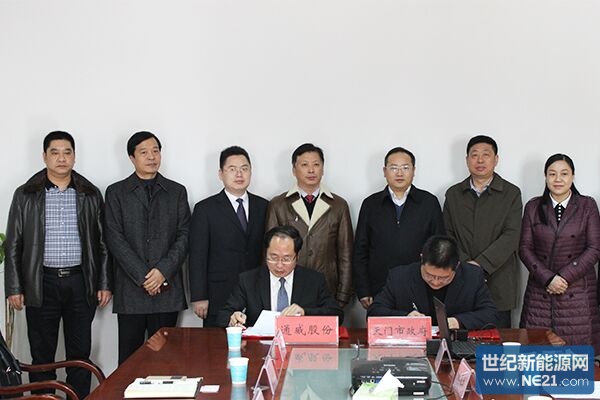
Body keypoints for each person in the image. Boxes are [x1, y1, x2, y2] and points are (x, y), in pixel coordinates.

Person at [3, 131, 111, 398]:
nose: (61, 158)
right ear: (44, 156)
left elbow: (102, 244)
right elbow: (13, 243)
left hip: (80, 281)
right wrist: (14, 287)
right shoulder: (26, 194)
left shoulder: (89, 193)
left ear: (74, 156)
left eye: (67, 152)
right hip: (40, 282)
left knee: (80, 353)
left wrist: (104, 283)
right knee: (42, 355)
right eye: (55, 152)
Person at [105, 131, 190, 364]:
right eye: (144, 152)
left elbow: (184, 235)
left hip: (167, 290)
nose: (152, 157)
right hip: (131, 291)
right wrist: (144, 276)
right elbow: (114, 238)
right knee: (129, 361)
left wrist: (162, 271)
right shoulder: (116, 192)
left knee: (167, 360)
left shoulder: (176, 191)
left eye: (155, 151)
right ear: (132, 158)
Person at [519, 154, 600, 353]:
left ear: (573, 176)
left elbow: (594, 248)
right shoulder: (533, 206)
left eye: (564, 174)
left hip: (577, 293)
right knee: (536, 356)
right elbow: (525, 248)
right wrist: (548, 278)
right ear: (545, 177)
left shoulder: (587, 205)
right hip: (540, 292)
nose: (558, 179)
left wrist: (563, 277)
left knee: (576, 359)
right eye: (552, 174)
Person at [443, 135, 522, 328]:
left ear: (496, 159)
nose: (480, 160)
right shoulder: (453, 194)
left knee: (498, 340)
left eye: (486, 155)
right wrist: (466, 266)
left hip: (499, 280)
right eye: (474, 155)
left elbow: (511, 236)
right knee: (460, 336)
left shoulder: (511, 193)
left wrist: (480, 265)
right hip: (460, 278)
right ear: (466, 160)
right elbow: (448, 235)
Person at [353, 147, 444, 309]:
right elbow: (360, 250)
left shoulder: (429, 202)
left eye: (405, 168)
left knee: (420, 325)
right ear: (384, 171)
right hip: (380, 288)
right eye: (394, 168)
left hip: (422, 286)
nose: (399, 173)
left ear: (414, 171)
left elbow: (439, 247)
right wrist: (363, 290)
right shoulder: (371, 204)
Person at [188, 146, 268, 327]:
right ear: (220, 174)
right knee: (216, 344)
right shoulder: (205, 209)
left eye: (244, 168)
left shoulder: (263, 206)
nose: (239, 174)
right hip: (218, 294)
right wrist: (199, 296)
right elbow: (197, 256)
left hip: (257, 294)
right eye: (232, 169)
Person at [265, 143, 353, 308]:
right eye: (304, 165)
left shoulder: (339, 205)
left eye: (316, 165)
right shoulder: (278, 204)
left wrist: (343, 295)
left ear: (323, 169)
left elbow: (346, 255)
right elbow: (269, 252)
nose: (311, 170)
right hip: (287, 288)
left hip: (328, 288)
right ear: (294, 170)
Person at [217, 225, 343, 327]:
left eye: (286, 259)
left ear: (297, 257)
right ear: (266, 253)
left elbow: (337, 315)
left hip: (299, 346)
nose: (279, 265)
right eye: (273, 257)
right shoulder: (248, 280)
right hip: (259, 346)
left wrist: (305, 312)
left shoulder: (314, 280)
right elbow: (223, 315)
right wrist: (233, 319)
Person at [368, 236, 497, 330]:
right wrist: (406, 317)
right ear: (422, 259)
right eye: (429, 275)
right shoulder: (400, 276)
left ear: (457, 266)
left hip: (457, 346)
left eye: (443, 278)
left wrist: (459, 321)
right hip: (413, 346)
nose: (435, 282)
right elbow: (374, 312)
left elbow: (491, 314)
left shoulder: (473, 276)